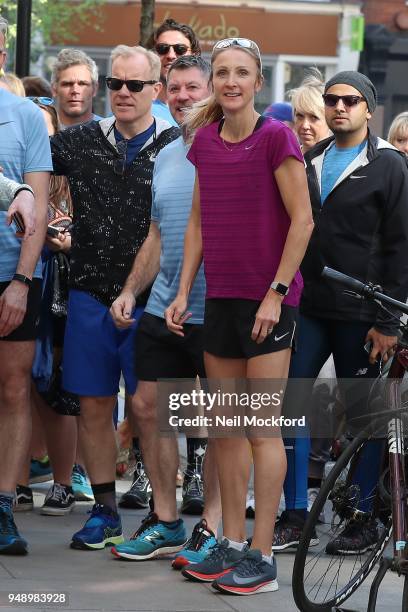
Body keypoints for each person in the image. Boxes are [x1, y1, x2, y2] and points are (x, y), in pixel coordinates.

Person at [166, 38, 313, 595]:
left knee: (259, 428)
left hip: (270, 302)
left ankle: (262, 553)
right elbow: (200, 222)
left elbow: (302, 222)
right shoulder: (204, 141)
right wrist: (183, 291)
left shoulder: (276, 136)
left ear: (257, 82)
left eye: (241, 73)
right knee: (225, 429)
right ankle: (229, 543)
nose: (230, 82)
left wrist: (276, 293)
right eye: (222, 72)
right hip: (220, 299)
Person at [272, 71, 408, 555]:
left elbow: (399, 246)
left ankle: (362, 516)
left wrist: (388, 321)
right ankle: (292, 513)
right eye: (332, 100)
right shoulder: (309, 159)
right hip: (309, 307)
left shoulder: (390, 165)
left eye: (350, 100)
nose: (339, 108)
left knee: (365, 416)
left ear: (370, 109)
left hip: (364, 313)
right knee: (292, 404)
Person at [50, 44, 179, 550]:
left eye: (134, 85)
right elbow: (34, 176)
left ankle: (162, 513)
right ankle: (104, 511)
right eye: (115, 84)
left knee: (150, 409)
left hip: (155, 295)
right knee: (93, 404)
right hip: (89, 292)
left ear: (156, 89)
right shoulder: (79, 140)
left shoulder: (176, 145)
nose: (122, 93)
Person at [110, 55, 221, 566]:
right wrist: (133, 288)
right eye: (173, 88)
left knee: (226, 421)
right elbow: (157, 232)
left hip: (217, 308)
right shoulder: (167, 153)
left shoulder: (240, 146)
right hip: (161, 305)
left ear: (213, 90)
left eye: (192, 87)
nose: (181, 97)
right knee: (148, 408)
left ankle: (214, 529)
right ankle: (167, 520)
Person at [0, 15, 52, 555]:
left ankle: (3, 507)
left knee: (14, 389)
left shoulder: (26, 117)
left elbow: (35, 206)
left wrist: (21, 280)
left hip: (9, 274)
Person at [150, 18, 200, 125]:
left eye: (180, 49)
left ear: (194, 55)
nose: (171, 55)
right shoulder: (137, 110)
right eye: (163, 48)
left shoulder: (211, 112)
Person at [51, 48, 100, 128]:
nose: (75, 90)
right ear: (54, 89)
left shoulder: (109, 133)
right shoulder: (40, 131)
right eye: (67, 84)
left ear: (95, 89)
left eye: (82, 84)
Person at [288, 69, 331, 152]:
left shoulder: (340, 162)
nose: (305, 126)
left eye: (314, 117)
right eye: (300, 116)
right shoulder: (286, 160)